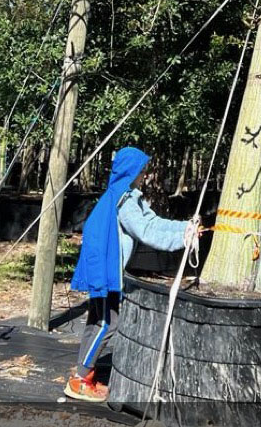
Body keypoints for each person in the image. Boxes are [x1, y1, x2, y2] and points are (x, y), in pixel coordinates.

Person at [64, 145, 200, 402]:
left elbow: (153, 221)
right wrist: (182, 240)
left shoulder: (123, 195)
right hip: (106, 271)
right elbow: (146, 232)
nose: (144, 175)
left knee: (97, 322)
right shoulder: (124, 201)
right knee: (108, 324)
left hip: (103, 268)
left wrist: (185, 227)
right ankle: (80, 380)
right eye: (141, 170)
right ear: (131, 171)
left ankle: (84, 374)